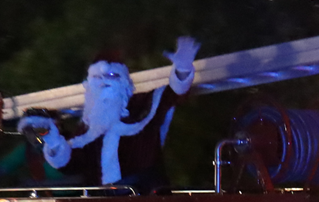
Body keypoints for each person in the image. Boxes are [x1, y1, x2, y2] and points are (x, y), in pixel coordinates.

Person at [19, 36, 199, 189]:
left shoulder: (142, 106)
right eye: (97, 78)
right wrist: (52, 140)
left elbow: (173, 93)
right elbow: (70, 164)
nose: (104, 82)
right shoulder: (88, 127)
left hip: (145, 199)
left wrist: (182, 68)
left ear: (124, 83)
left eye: (111, 76)